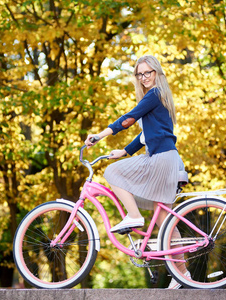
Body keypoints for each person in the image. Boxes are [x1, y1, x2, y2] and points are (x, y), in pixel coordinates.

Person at [85, 55, 189, 289]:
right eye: (139, 74)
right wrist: (124, 151)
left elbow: (129, 119)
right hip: (167, 158)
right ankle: (184, 275)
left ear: (157, 73)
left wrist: (99, 136)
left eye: (148, 73)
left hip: (161, 159)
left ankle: (134, 216)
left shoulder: (154, 94)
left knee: (112, 173)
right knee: (165, 221)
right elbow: (145, 136)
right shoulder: (158, 98)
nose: (144, 78)